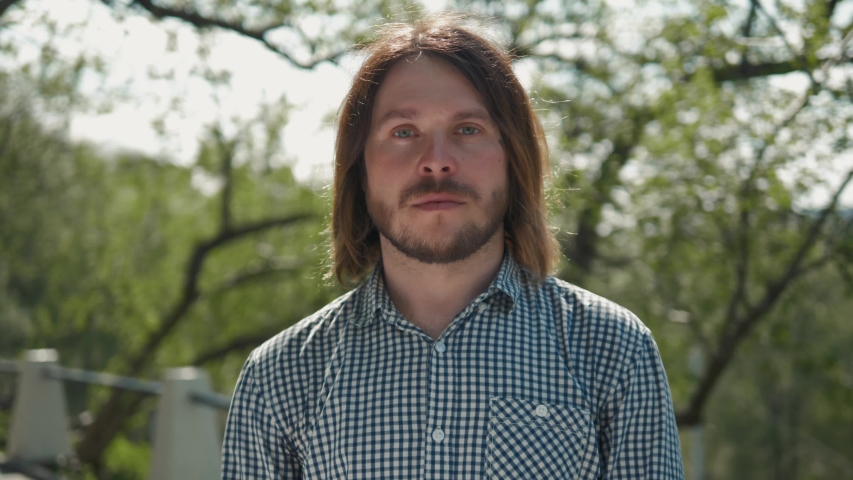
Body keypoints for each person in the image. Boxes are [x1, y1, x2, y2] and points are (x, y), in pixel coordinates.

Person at [222, 13, 684, 479]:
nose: (437, 162)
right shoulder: (278, 378)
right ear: (359, 170)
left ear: (512, 158)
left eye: (468, 129)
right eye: (404, 132)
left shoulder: (615, 351)